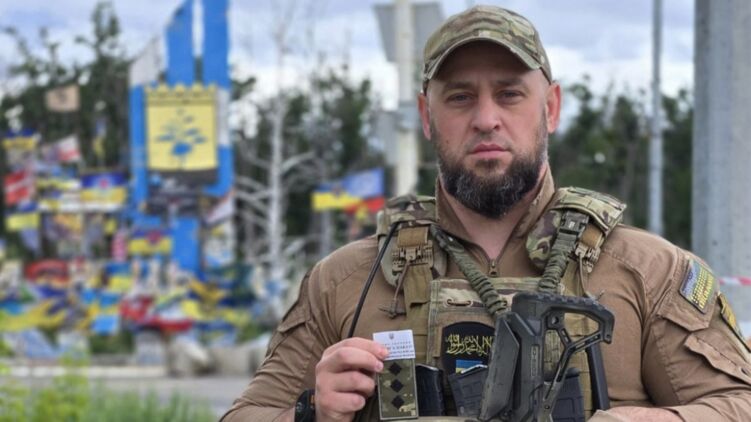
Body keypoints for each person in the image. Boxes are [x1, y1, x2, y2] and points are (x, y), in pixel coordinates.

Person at [222, 5, 751, 422]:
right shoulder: (346, 280)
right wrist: (313, 413)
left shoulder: (647, 272)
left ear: (551, 108)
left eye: (509, 94)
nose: (486, 118)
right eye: (459, 97)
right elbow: (248, 413)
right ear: (426, 116)